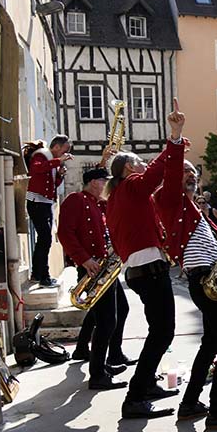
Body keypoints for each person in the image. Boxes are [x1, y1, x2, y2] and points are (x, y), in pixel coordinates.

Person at [153, 158, 217, 430]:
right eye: (184, 171)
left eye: (193, 171)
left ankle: (189, 403)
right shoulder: (169, 200)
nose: (190, 175)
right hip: (205, 279)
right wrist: (175, 142)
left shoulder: (197, 211)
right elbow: (171, 181)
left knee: (211, 344)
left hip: (213, 277)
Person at [105, 99, 185, 419]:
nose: (143, 165)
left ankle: (146, 385)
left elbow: (169, 181)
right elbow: (155, 175)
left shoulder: (123, 195)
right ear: (128, 169)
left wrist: (175, 150)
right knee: (163, 331)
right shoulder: (132, 187)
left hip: (143, 268)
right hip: (148, 268)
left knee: (159, 329)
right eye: (139, 162)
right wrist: (174, 137)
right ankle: (135, 397)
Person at [57, 166, 131, 390]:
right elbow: (65, 232)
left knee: (120, 311)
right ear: (93, 182)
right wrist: (84, 259)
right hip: (91, 268)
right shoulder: (75, 200)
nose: (105, 185)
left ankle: (107, 362)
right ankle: (98, 373)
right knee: (106, 321)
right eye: (103, 181)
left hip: (103, 267)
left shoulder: (98, 205)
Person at [23, 135, 71, 287]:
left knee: (44, 239)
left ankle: (37, 274)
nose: (66, 153)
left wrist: (60, 174)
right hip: (36, 202)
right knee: (45, 239)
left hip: (45, 202)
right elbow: (36, 169)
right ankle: (43, 276)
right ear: (56, 147)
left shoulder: (52, 161)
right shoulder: (42, 154)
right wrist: (58, 161)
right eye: (65, 150)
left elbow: (53, 184)